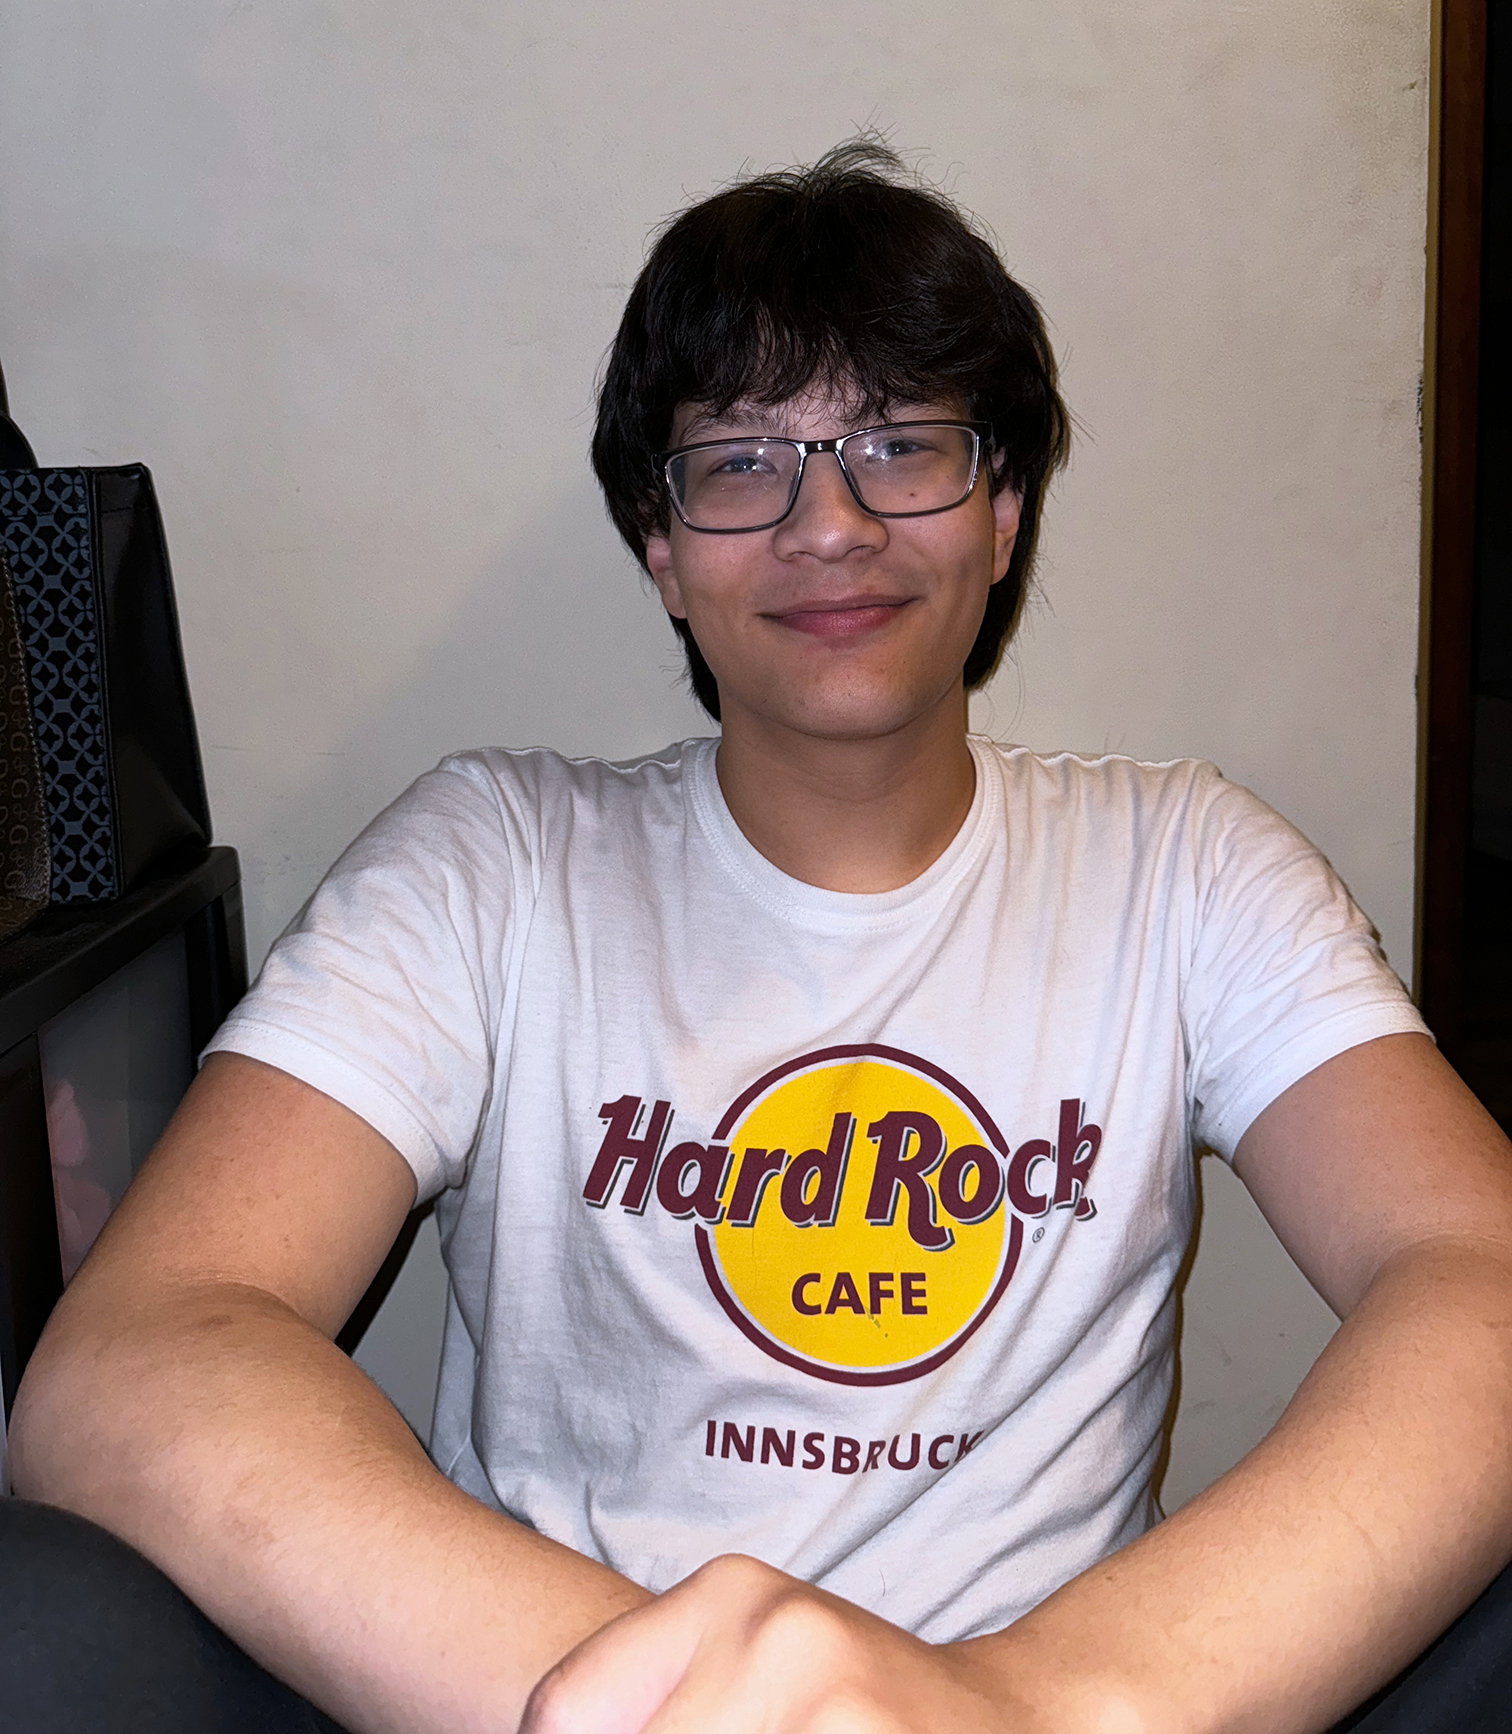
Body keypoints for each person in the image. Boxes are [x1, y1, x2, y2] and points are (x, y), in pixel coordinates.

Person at [6, 141, 1512, 1734]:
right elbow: (133, 1358)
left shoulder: (1186, 864)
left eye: (897, 445)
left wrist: (1018, 1705)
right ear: (661, 551)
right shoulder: (494, 862)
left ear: (1003, 514)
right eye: (741, 463)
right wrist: (697, 1706)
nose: (831, 524)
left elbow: (1477, 1269)